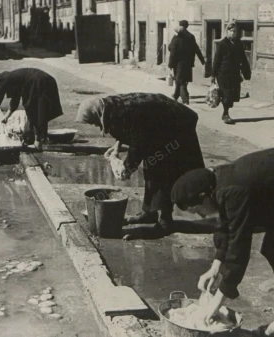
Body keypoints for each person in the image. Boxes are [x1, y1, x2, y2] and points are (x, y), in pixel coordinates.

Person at [171, 148, 274, 331]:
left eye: (198, 211)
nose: (202, 216)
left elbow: (239, 245)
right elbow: (225, 225)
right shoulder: (217, 183)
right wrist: (215, 267)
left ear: (203, 197)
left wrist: (218, 299)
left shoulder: (234, 190)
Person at [76, 93, 204, 233]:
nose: (95, 125)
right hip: (161, 125)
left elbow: (138, 144)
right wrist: (117, 146)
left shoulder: (122, 111)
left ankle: (166, 220)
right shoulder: (111, 107)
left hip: (178, 126)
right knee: (151, 166)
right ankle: (149, 213)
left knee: (164, 171)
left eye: (93, 121)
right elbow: (131, 129)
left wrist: (128, 167)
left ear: (97, 113)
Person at [0, 68, 63, 149]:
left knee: (33, 109)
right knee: (41, 110)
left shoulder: (2, 80)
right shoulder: (10, 78)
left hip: (38, 81)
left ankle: (38, 142)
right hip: (46, 80)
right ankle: (40, 139)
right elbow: (15, 99)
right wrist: (6, 117)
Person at [211, 23, 251, 125]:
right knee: (227, 94)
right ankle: (226, 114)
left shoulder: (238, 44)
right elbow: (216, 60)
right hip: (223, 74)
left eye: (234, 31)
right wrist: (213, 75)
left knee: (232, 95)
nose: (232, 33)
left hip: (235, 74)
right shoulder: (222, 44)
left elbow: (243, 58)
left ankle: (225, 108)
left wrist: (247, 72)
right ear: (227, 31)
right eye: (231, 31)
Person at [168, 20, 205, 105]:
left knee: (181, 81)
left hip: (178, 64)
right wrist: (202, 60)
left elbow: (171, 50)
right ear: (187, 26)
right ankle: (176, 95)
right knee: (180, 79)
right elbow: (196, 49)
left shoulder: (176, 38)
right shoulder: (191, 36)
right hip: (188, 63)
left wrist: (170, 64)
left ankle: (185, 99)